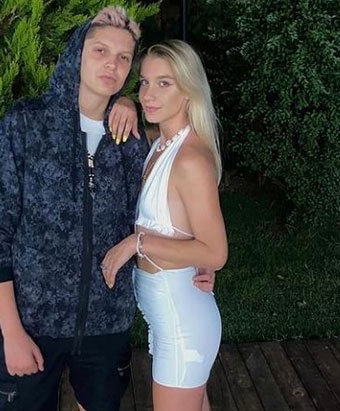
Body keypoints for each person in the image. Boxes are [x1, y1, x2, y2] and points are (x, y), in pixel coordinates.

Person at [0, 7, 214, 410]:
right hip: (33, 324)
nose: (111, 64)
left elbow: (167, 205)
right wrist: (11, 332)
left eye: (123, 57)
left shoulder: (132, 139)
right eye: (100, 50)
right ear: (76, 55)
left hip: (107, 326)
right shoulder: (26, 124)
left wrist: (197, 258)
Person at [100, 39, 227, 411]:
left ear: (188, 90)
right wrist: (124, 102)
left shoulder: (191, 159)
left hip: (183, 325)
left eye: (164, 83)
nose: (148, 94)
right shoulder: (161, 143)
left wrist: (136, 243)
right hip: (169, 320)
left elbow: (216, 252)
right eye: (144, 82)